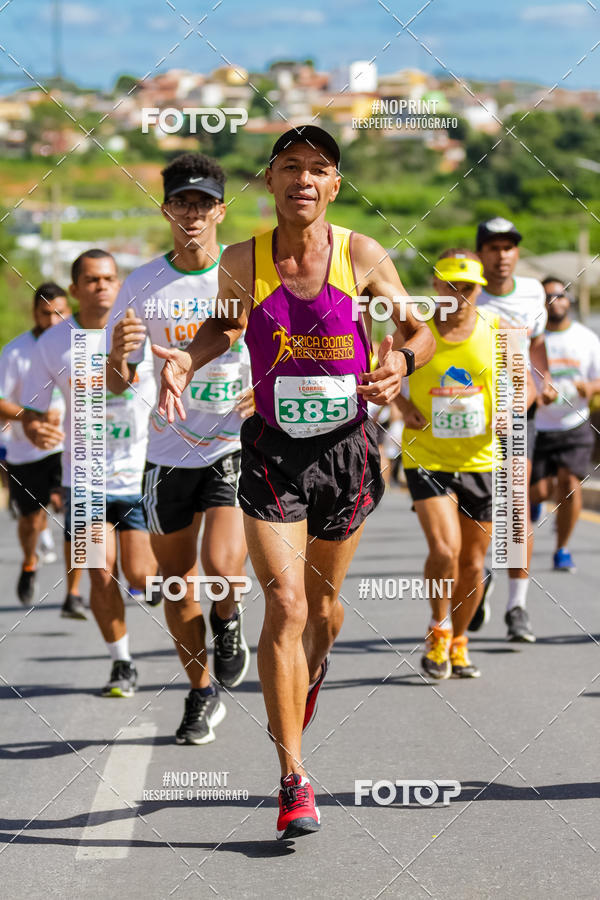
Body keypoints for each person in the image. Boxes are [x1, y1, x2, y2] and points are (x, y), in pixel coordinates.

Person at [152, 126, 435, 839]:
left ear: (334, 186)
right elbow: (223, 327)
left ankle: (312, 671)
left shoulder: (360, 253)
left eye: (318, 169)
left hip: (347, 451)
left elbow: (418, 329)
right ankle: (294, 779)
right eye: (290, 167)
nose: (303, 179)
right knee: (284, 602)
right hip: (274, 453)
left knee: (324, 607)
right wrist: (188, 358)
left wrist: (401, 360)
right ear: (270, 181)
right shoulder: (244, 260)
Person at [106, 153, 252, 743]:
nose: (192, 213)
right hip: (166, 451)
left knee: (222, 568)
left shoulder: (242, 271)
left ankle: (229, 617)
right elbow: (117, 380)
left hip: (232, 441)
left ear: (220, 210)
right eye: (180, 202)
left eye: (203, 203)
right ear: (166, 209)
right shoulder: (140, 283)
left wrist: (259, 393)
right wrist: (117, 352)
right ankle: (199, 693)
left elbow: (283, 347)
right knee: (176, 583)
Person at [22, 250, 158, 697]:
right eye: (92, 280)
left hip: (140, 473)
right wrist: (34, 425)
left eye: (109, 278)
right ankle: (122, 663)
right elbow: (36, 407)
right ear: (76, 289)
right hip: (83, 477)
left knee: (141, 577)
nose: (102, 286)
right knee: (99, 569)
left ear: (119, 285)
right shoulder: (51, 344)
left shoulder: (142, 331)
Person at [397, 250, 512, 680]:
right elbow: (374, 364)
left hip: (481, 457)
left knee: (473, 564)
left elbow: (526, 386)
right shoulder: (416, 328)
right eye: (450, 286)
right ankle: (438, 628)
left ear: (479, 290)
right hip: (427, 455)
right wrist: (401, 401)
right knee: (444, 550)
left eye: (467, 288)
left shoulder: (498, 330)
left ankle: (460, 641)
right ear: (436, 285)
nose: (458, 296)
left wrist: (508, 411)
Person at [475, 218, 555, 643]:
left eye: (509, 247)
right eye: (493, 247)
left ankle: (516, 606)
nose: (502, 255)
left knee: (514, 509)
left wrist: (540, 384)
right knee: (478, 512)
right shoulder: (467, 295)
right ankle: (477, 572)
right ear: (480, 253)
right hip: (470, 419)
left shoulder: (533, 292)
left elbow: (536, 346)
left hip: (517, 414)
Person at [0, 282, 85, 612]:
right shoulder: (15, 352)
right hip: (27, 451)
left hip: (71, 448)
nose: (53, 321)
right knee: (31, 521)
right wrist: (31, 417)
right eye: (45, 314)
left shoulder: (82, 343)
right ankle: (30, 561)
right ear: (34, 314)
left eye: (60, 313)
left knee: (80, 515)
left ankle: (74, 592)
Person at [530, 278, 600, 572]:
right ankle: (535, 502)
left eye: (560, 295)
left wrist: (588, 386)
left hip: (575, 424)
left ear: (568, 300)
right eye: (547, 297)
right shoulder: (532, 339)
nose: (554, 301)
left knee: (570, 484)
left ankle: (562, 549)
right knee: (539, 491)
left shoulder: (586, 338)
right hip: (537, 426)